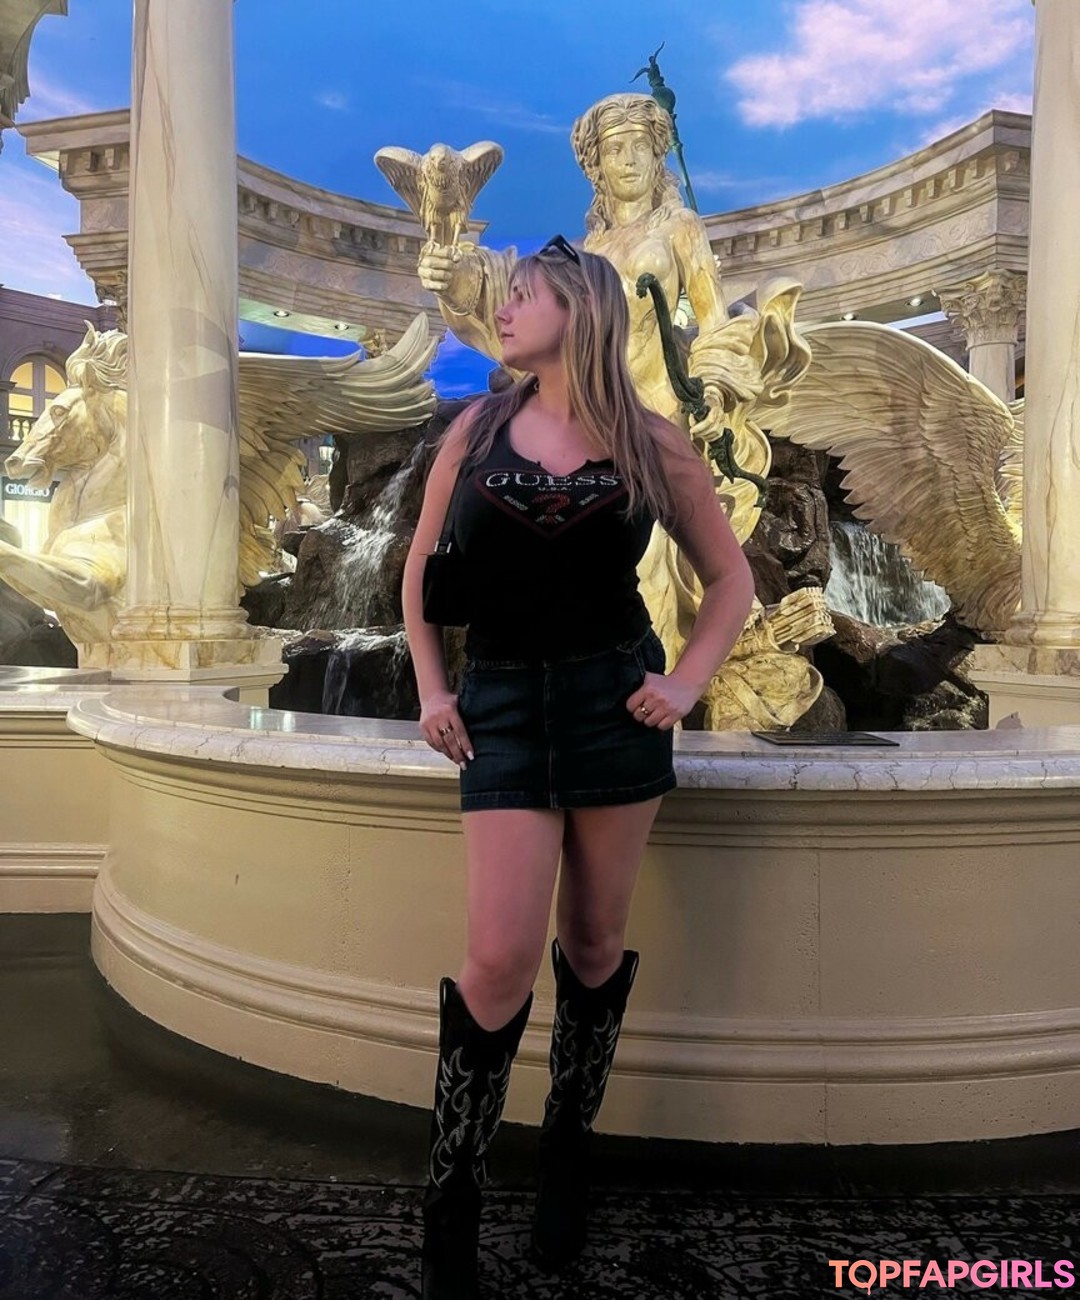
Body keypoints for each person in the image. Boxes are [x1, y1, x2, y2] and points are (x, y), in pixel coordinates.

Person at [401, 236, 755, 1299]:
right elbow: (419, 572)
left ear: (582, 309)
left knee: (594, 943)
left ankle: (567, 1152)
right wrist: (433, 690)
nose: (504, 310)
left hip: (613, 707)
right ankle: (454, 1191)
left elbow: (730, 580)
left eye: (524, 296)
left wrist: (685, 682)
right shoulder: (475, 428)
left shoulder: (652, 441)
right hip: (502, 707)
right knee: (498, 958)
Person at [418, 92, 810, 724]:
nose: (627, 159)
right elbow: (515, 308)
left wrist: (714, 386)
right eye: (613, 149)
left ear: (660, 156)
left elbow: (714, 324)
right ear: (595, 165)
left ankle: (655, 714)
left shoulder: (679, 229)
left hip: (645, 420)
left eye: (640, 147)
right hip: (574, 427)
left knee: (649, 579)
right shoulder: (585, 250)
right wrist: (457, 275)